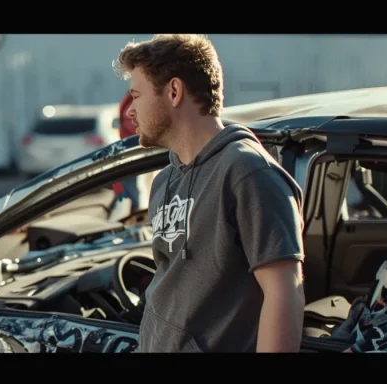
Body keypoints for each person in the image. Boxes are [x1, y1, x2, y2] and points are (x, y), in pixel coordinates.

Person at [114, 34, 306, 352]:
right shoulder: (164, 181)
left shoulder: (248, 172)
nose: (131, 110)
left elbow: (285, 292)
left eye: (136, 95)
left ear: (174, 92)